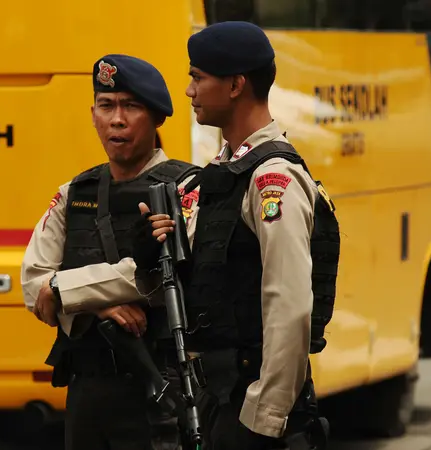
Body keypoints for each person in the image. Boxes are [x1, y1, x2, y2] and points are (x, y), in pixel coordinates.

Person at [132, 21, 339, 449]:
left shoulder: (272, 180)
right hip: (218, 399)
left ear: (235, 85)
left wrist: (265, 418)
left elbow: (289, 306)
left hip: (252, 405)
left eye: (197, 77)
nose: (188, 91)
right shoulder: (225, 173)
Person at [20, 53, 202, 450]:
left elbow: (160, 278)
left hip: (160, 391)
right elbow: (34, 286)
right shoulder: (75, 194)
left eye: (131, 106)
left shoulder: (186, 190)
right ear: (93, 114)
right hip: (87, 392)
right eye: (106, 106)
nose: (116, 119)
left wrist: (68, 292)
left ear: (156, 118)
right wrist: (96, 307)